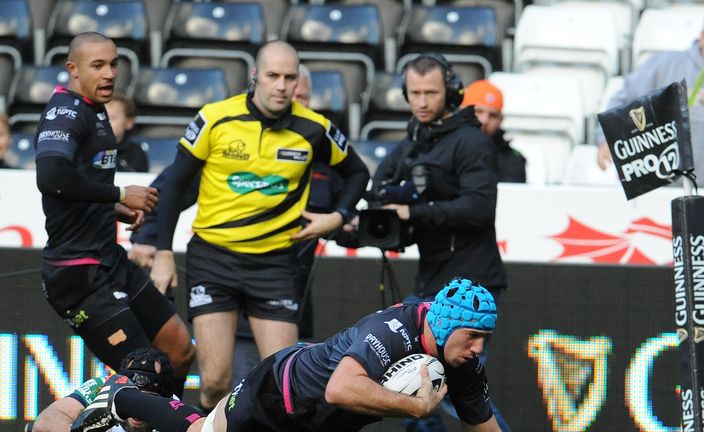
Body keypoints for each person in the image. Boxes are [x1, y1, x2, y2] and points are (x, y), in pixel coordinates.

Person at [149, 40, 370, 412]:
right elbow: (172, 186)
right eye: (272, 76)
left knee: (284, 384)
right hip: (214, 259)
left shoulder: (314, 128)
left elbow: (358, 173)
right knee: (217, 382)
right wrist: (163, 253)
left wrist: (339, 215)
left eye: (289, 77)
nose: (281, 85)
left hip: (276, 264)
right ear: (255, 77)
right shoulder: (215, 118)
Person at [127, 64, 342, 384]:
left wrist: (346, 224)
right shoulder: (232, 146)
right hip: (234, 304)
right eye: (286, 92)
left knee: (287, 399)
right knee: (234, 395)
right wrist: (147, 238)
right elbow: (169, 191)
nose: (293, 102)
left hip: (289, 301)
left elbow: (348, 219)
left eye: (303, 97)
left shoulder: (323, 155)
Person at [70, 278, 502, 432]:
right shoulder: (390, 331)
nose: (480, 347)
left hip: (328, 425)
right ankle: (122, 397)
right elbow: (339, 389)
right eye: (474, 335)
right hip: (279, 395)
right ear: (444, 325)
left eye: (486, 337)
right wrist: (418, 406)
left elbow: (483, 424)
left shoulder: (461, 357)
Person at [33, 32, 195, 398]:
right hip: (77, 275)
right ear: (72, 69)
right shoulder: (66, 113)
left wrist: (112, 207)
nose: (109, 73)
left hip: (110, 260)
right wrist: (120, 193)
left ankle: (160, 418)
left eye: (114, 63)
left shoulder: (96, 108)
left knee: (180, 351)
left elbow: (79, 180)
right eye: (98, 65)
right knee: (145, 374)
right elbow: (52, 178)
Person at [368, 53, 510, 432]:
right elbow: (379, 189)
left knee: (461, 395)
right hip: (432, 283)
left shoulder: (470, 141)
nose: (422, 101)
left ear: (450, 92)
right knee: (414, 388)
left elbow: (479, 208)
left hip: (472, 286)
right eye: (414, 93)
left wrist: (414, 213)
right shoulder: (415, 140)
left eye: (431, 92)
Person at [597, 5, 704, 188]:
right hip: (655, 192)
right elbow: (622, 103)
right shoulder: (664, 65)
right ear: (702, 37)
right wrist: (609, 139)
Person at [31, 348, 186, 432]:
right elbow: (47, 420)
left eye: (148, 398)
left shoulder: (174, 411)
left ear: (166, 398)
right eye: (134, 396)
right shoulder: (101, 386)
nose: (138, 407)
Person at [460, 80, 526, 183]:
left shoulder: (513, 160)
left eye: (493, 115)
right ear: (462, 112)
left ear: (501, 120)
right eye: (478, 111)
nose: (485, 120)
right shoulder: (445, 148)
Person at [106, 92, 149, 172]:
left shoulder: (136, 153)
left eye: (111, 118)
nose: (105, 122)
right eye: (101, 116)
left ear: (129, 122)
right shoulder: (88, 148)